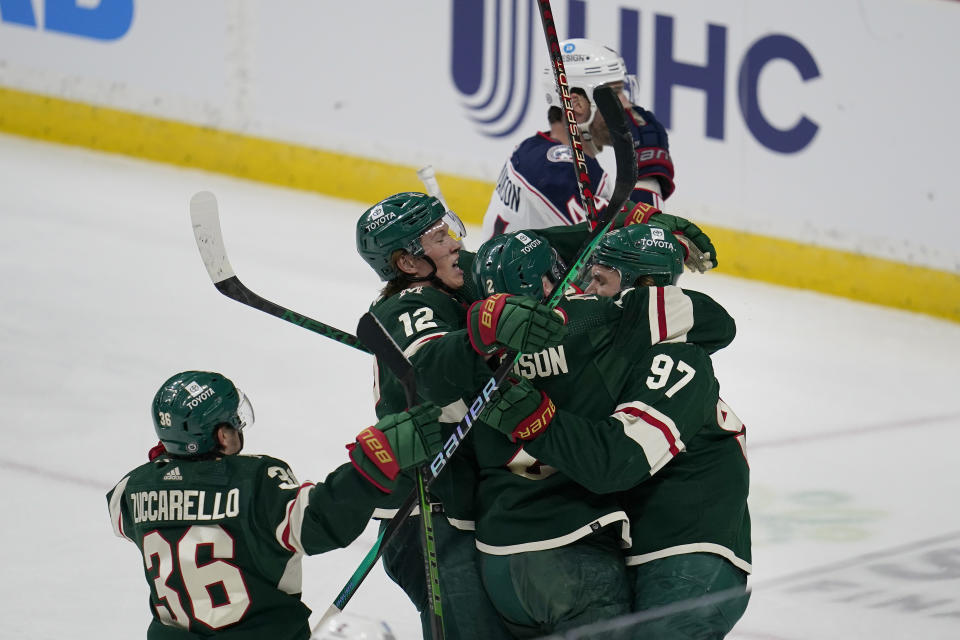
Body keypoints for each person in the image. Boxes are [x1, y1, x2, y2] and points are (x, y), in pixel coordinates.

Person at [475, 226, 751, 639]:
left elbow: (615, 461)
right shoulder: (620, 344)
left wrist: (539, 419)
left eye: (600, 280)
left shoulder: (677, 359)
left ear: (640, 287)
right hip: (644, 539)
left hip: (691, 547)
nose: (586, 290)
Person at [106, 370, 443, 640]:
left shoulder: (131, 490)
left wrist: (176, 468)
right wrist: (373, 462)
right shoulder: (254, 480)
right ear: (222, 435)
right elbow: (318, 522)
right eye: (232, 422)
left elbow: (121, 512)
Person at [481, 38, 675, 240]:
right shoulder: (561, 173)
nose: (626, 104)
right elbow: (641, 248)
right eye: (616, 93)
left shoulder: (536, 150)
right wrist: (648, 174)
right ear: (577, 104)